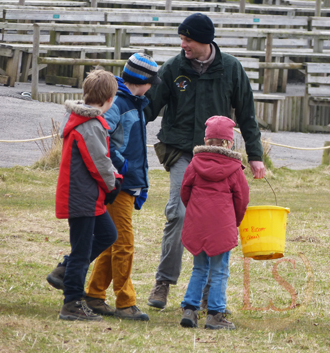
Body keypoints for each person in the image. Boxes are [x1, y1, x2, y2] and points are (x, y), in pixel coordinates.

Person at [145, 13, 265, 310]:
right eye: (181, 39)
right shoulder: (173, 67)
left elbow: (247, 114)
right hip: (181, 151)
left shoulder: (232, 69)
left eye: (187, 39)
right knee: (179, 212)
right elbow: (148, 109)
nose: (182, 44)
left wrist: (256, 156)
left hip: (220, 157)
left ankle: (207, 289)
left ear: (204, 41)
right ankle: (164, 281)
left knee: (218, 219)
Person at [83, 53, 161, 321]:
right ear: (145, 81)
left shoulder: (135, 103)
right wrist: (120, 166)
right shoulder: (119, 104)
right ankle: (126, 302)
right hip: (118, 185)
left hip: (128, 185)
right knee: (124, 244)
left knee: (112, 241)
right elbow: (99, 132)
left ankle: (94, 295)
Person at [51, 69, 123, 321]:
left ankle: (64, 269)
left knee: (107, 234)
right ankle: (72, 302)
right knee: (81, 250)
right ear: (109, 100)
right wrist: (113, 183)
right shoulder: (89, 125)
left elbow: (102, 158)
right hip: (81, 196)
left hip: (87, 195)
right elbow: (99, 163)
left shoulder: (88, 122)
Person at [179, 115, 249, 330]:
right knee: (219, 271)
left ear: (206, 139)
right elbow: (242, 199)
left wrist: (194, 213)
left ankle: (190, 310)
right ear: (229, 142)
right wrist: (234, 221)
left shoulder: (194, 164)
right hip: (221, 226)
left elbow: (184, 192)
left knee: (199, 268)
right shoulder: (235, 169)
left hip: (197, 224)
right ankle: (215, 314)